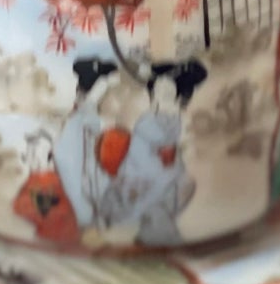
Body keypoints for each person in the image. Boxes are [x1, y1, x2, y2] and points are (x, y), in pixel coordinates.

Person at [107, 58, 208, 244]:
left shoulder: (173, 120)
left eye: (168, 92)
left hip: (163, 178)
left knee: (165, 205)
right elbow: (149, 150)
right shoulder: (147, 122)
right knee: (156, 210)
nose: (162, 96)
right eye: (159, 91)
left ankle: (156, 234)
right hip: (142, 179)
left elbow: (174, 141)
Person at [53, 55, 117, 231]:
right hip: (82, 200)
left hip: (82, 189)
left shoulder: (84, 116)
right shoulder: (84, 120)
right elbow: (82, 166)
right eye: (104, 88)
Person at [12, 131, 78, 242]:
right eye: (28, 152)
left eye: (30, 152)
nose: (25, 157)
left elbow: (28, 211)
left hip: (52, 242)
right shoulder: (38, 178)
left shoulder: (46, 184)